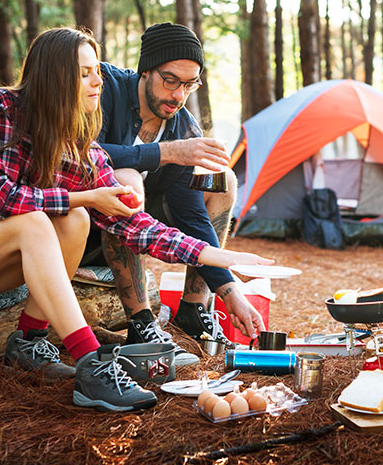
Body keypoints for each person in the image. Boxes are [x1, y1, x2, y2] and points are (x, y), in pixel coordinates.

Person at [0, 27, 273, 412]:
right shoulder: (3, 106)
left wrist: (216, 258)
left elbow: (131, 223)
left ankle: (28, 341)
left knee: (76, 219)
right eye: (85, 72)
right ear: (54, 75)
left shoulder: (78, 137)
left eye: (96, 70)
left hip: (4, 266)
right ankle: (91, 363)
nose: (98, 80)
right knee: (38, 220)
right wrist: (87, 196)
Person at [91, 22, 263, 365]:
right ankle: (141, 323)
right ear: (145, 70)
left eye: (189, 84)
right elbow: (82, 153)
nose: (178, 95)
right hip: (82, 226)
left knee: (221, 179)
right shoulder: (105, 88)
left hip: (147, 235)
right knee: (126, 181)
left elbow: (193, 217)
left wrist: (230, 292)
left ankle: (193, 308)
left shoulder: (183, 125)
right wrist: (167, 153)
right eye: (170, 81)